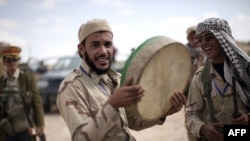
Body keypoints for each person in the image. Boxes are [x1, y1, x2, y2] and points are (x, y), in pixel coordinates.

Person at [56, 18, 186, 141]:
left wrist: (162, 113)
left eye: (108, 44)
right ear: (81, 50)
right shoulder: (72, 86)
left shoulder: (116, 79)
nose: (103, 51)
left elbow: (133, 122)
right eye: (95, 45)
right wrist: (112, 105)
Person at [185, 17, 250, 141]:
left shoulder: (246, 70)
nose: (203, 43)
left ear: (223, 38)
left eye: (209, 37)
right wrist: (203, 128)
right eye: (200, 39)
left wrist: (247, 119)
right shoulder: (200, 76)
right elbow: (190, 115)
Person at [0, 45, 45, 141]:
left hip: (25, 128)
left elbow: (37, 102)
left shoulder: (27, 79)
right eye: (9, 60)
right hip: (7, 129)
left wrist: (40, 124)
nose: (12, 63)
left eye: (15, 60)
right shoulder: (1, 82)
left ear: (18, 61)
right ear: (4, 62)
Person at [184, 25, 207, 141]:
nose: (195, 41)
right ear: (188, 39)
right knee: (193, 129)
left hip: (207, 97)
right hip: (189, 98)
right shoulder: (182, 55)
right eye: (191, 38)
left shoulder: (207, 53)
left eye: (197, 38)